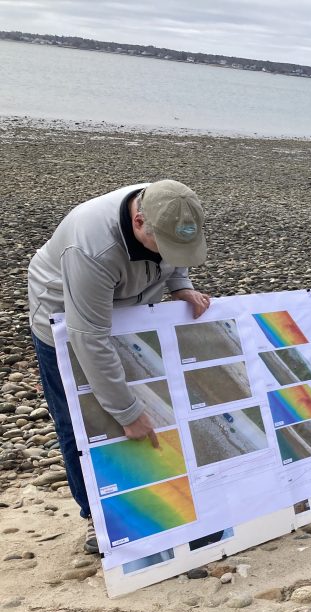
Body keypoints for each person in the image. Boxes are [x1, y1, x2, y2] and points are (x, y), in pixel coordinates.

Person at [27, 180, 212, 554]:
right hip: (63, 316)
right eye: (168, 245)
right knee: (83, 419)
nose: (173, 253)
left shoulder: (173, 207)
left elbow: (172, 257)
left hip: (128, 309)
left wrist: (180, 284)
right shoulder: (93, 247)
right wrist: (126, 411)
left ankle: (168, 496)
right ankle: (97, 517)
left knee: (141, 399)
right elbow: (88, 336)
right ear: (140, 221)